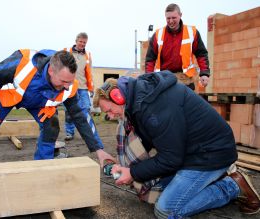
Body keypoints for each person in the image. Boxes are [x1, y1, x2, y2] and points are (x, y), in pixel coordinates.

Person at [93, 71, 260, 218]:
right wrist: (124, 165)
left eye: (109, 110)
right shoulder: (139, 101)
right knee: (157, 189)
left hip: (211, 154)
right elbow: (149, 139)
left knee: (166, 210)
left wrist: (133, 172)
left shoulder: (154, 109)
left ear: (118, 97)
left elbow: (171, 158)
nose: (111, 116)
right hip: (191, 152)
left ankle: (231, 186)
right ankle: (213, 179)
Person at [0, 49, 114, 166]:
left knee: (52, 125)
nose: (67, 87)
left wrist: (97, 149)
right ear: (50, 71)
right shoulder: (22, 63)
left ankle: (42, 167)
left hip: (40, 103)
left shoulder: (69, 85)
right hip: (8, 97)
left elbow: (81, 116)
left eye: (70, 81)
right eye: (63, 81)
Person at [145, 3, 210, 90]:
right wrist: (149, 77)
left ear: (180, 15)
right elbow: (150, 59)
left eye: (174, 18)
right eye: (168, 18)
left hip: (186, 80)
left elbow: (201, 54)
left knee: (187, 103)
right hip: (164, 80)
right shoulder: (158, 35)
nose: (171, 21)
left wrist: (204, 74)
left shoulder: (192, 32)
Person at [63, 32, 98, 142]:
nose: (82, 44)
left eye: (84, 42)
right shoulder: (66, 51)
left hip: (83, 87)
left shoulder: (87, 55)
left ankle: (87, 133)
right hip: (69, 86)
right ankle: (69, 133)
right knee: (69, 111)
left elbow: (89, 72)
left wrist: (91, 88)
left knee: (86, 109)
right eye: (81, 41)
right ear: (76, 41)